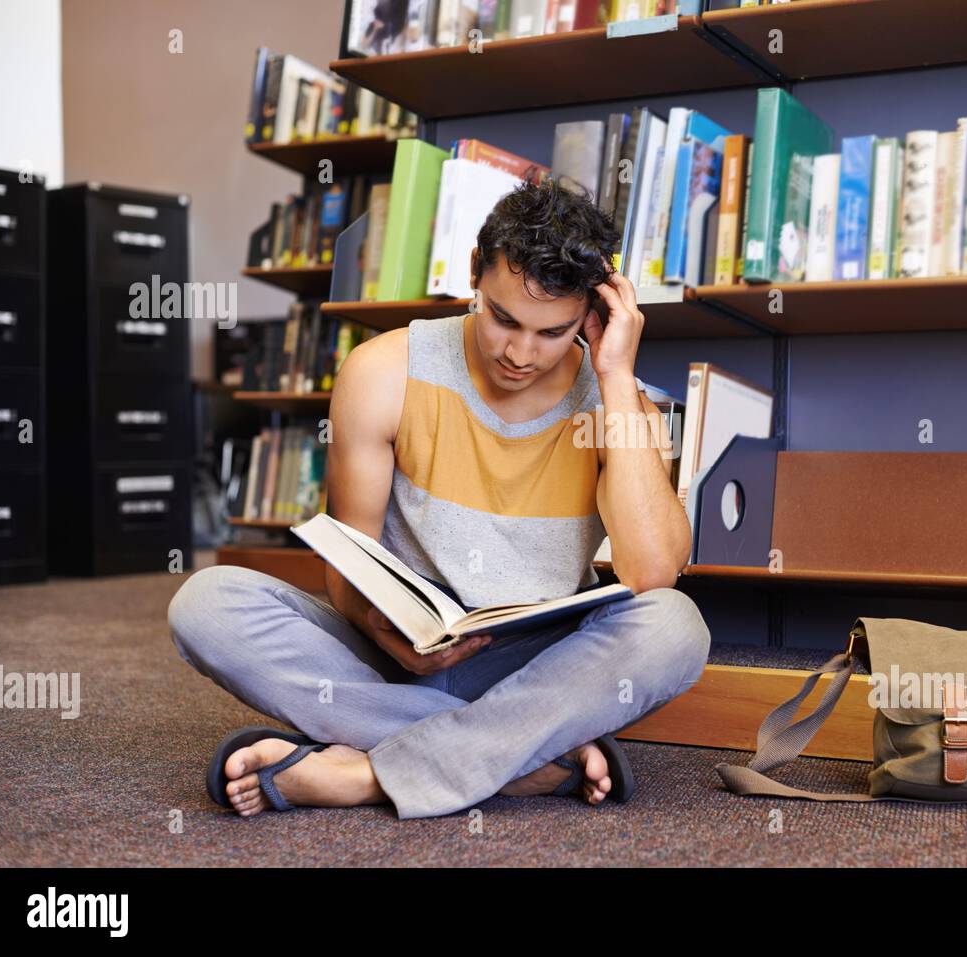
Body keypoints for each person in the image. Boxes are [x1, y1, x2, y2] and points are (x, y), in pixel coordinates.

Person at [167, 178, 712, 819]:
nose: (519, 352)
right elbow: (350, 565)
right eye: (503, 317)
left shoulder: (619, 401)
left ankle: (366, 772)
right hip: (396, 655)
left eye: (552, 332)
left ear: (594, 314)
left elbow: (652, 573)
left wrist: (616, 374)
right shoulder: (385, 370)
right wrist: (378, 623)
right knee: (205, 603)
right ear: (475, 271)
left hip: (532, 667)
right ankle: (524, 760)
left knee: (676, 626)